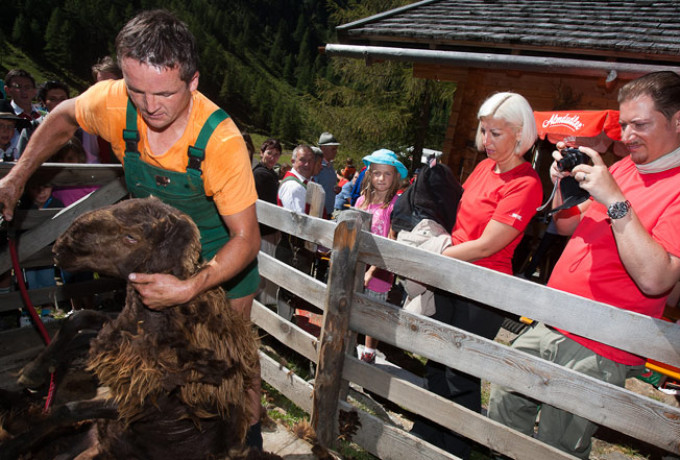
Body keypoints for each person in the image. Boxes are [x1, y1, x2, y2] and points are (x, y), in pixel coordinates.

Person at [0, 10, 263, 449]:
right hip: (158, 258)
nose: (150, 105)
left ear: (193, 81)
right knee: (150, 352)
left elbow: (246, 239)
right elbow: (62, 117)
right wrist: (17, 176)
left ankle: (246, 443)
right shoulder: (112, 101)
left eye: (164, 93)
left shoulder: (221, 141)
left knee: (233, 366)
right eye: (137, 90)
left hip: (221, 263)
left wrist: (191, 286)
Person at [487, 72, 680, 458]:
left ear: (678, 121)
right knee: (505, 405)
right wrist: (565, 186)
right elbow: (568, 225)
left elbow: (656, 279)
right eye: (624, 125)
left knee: (557, 445)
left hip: (602, 342)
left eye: (640, 125)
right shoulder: (623, 169)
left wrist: (616, 201)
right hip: (555, 318)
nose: (627, 136)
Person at [411, 92, 543, 459]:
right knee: (437, 361)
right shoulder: (484, 167)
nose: (486, 140)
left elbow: (487, 245)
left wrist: (432, 257)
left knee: (461, 373)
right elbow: (460, 220)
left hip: (483, 289)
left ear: (521, 133)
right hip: (451, 276)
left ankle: (456, 448)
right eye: (484, 131)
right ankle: (425, 436)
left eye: (496, 133)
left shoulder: (526, 183)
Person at [354, 149, 407, 364]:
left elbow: (392, 242)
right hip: (358, 264)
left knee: (373, 311)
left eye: (387, 174)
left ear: (395, 176)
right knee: (353, 305)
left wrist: (373, 271)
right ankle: (348, 345)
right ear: (369, 174)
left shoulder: (395, 205)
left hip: (380, 269)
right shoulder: (361, 201)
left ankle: (369, 353)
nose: (381, 178)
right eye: (376, 173)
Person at [253, 138, 282, 304]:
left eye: (276, 155)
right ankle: (257, 305)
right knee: (262, 270)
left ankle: (262, 304)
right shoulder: (261, 175)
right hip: (263, 230)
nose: (272, 157)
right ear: (262, 153)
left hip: (267, 229)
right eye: (269, 153)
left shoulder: (269, 173)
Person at [17, 81, 70, 154]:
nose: (59, 103)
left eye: (62, 99)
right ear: (43, 102)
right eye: (53, 99)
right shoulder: (31, 128)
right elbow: (21, 156)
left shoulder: (77, 128)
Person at [313, 131, 340, 217]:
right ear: (323, 148)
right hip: (318, 213)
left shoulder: (330, 165)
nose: (336, 152)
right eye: (333, 149)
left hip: (327, 211)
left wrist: (335, 189)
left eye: (336, 149)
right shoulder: (316, 166)